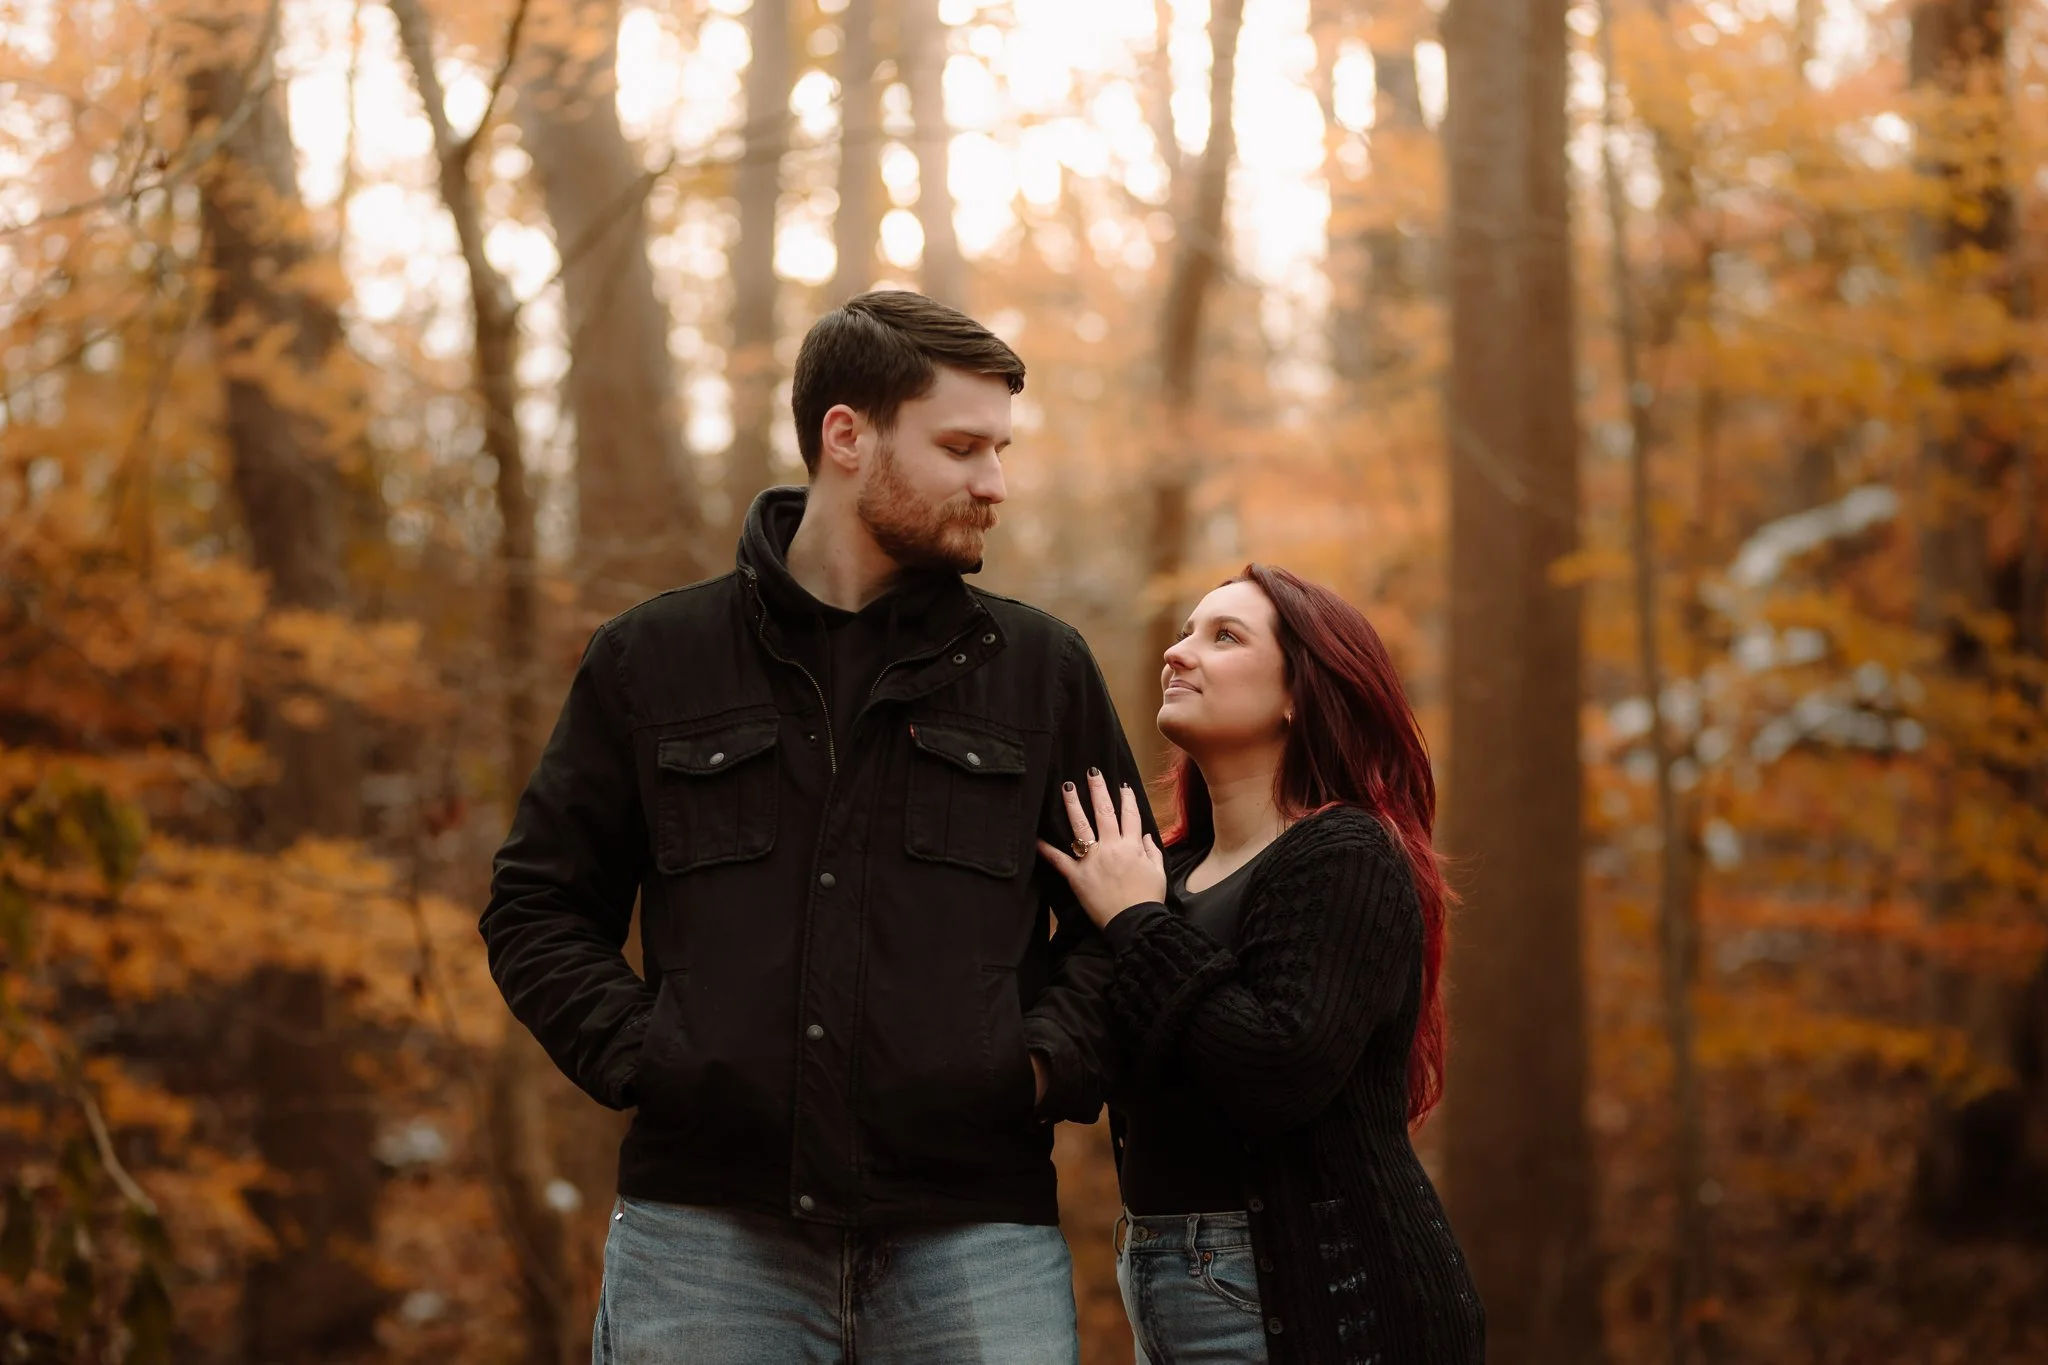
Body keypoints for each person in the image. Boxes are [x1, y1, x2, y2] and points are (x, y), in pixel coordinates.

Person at [482, 291, 1152, 1363]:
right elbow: (536, 907)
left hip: (974, 1236)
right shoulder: (652, 661)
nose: (996, 483)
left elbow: (1129, 927)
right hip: (703, 1235)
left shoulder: (1039, 673)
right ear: (846, 436)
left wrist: (1031, 1070)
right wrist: (655, 1059)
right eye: (963, 446)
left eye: (1001, 449)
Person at [1038, 564, 1486, 1364]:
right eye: (1184, 630)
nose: (1179, 652)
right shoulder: (1164, 872)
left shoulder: (1346, 853)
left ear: (1298, 694)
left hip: (1330, 1291)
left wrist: (1136, 921)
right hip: (1161, 1274)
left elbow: (1281, 1065)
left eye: (1224, 636)